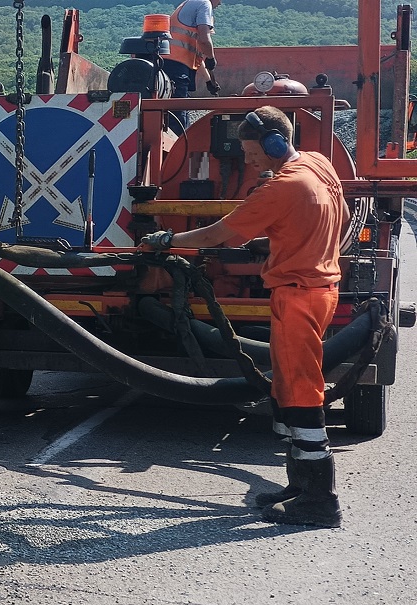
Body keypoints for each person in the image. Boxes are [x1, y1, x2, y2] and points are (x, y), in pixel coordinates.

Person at [138, 106, 349, 528]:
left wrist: (168, 239)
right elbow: (341, 217)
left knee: (303, 394)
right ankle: (299, 486)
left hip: (298, 296)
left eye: (250, 150)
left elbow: (220, 234)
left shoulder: (281, 187)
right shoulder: (318, 164)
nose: (246, 158)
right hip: (318, 288)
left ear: (273, 143)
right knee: (287, 386)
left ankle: (320, 501)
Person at [162, 0, 221, 101]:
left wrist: (208, 81)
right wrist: (211, 58)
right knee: (178, 109)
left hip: (168, 64)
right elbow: (204, 39)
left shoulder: (189, 4)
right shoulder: (204, 3)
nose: (220, 3)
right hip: (177, 68)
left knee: (172, 107)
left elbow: (197, 57)